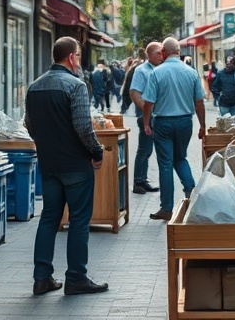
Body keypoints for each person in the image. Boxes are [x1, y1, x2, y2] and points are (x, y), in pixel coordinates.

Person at [25, 37, 109, 296]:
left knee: (49, 218)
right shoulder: (76, 85)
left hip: (49, 164)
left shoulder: (34, 87)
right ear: (72, 57)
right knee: (79, 220)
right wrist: (96, 151)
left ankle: (42, 278)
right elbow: (84, 127)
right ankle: (76, 278)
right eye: (79, 57)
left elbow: (29, 125)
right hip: (75, 165)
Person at [142, 36, 206, 221]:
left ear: (163, 52)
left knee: (165, 164)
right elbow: (199, 102)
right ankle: (191, 192)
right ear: (178, 52)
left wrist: (147, 123)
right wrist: (202, 126)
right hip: (185, 122)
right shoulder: (192, 72)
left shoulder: (156, 73)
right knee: (180, 158)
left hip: (163, 123)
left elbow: (149, 102)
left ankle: (167, 208)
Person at [128, 41, 164, 194]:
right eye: (158, 53)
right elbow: (134, 93)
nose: (161, 55)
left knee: (151, 150)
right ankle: (138, 182)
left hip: (160, 115)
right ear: (148, 55)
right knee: (144, 149)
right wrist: (146, 113)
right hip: (147, 116)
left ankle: (143, 179)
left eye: (162, 52)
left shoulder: (162, 68)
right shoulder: (141, 70)